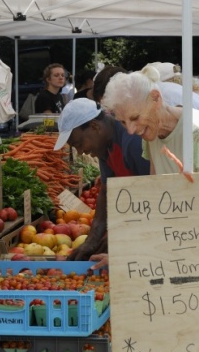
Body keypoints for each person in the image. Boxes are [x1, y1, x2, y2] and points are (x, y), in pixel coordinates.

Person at [89, 66, 199, 268]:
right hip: (184, 249)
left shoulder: (197, 135)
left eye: (134, 118)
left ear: (156, 99)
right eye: (123, 122)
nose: (130, 130)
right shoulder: (151, 136)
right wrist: (127, 256)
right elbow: (156, 201)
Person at [54, 98, 150, 261]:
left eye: (78, 143)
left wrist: (120, 234)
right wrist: (92, 241)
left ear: (94, 126)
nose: (80, 151)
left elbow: (151, 195)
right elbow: (106, 193)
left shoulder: (132, 140)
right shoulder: (105, 148)